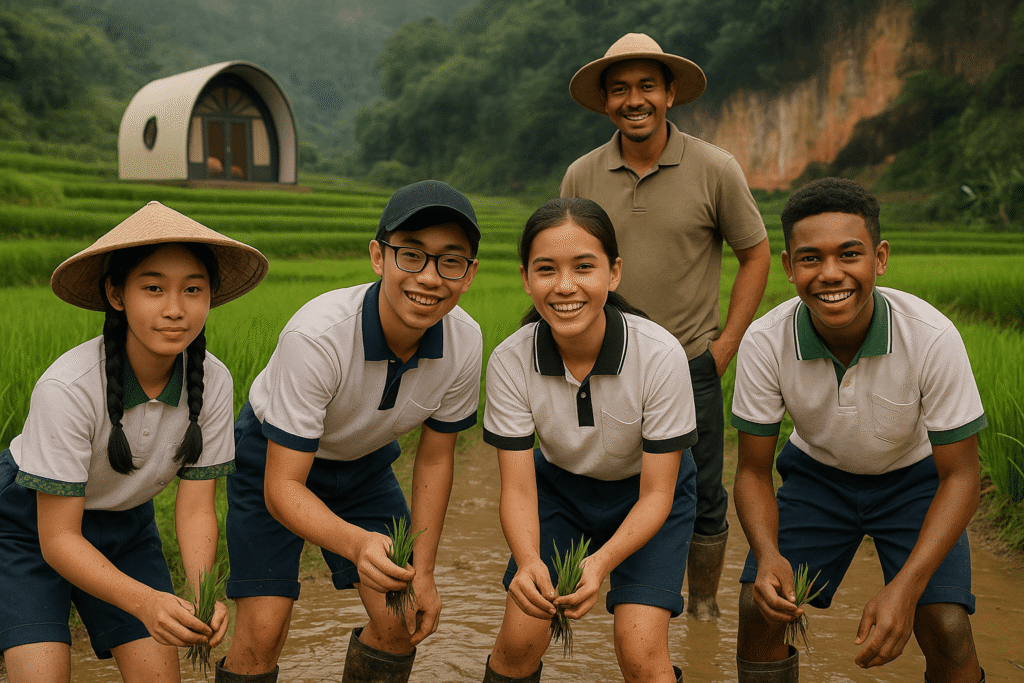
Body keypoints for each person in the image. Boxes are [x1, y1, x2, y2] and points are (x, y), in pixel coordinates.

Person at [218, 180, 483, 683]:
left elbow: (434, 459)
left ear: (468, 275)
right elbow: (283, 488)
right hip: (273, 460)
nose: (429, 278)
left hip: (363, 465)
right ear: (378, 257)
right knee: (262, 633)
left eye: (450, 261)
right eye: (411, 255)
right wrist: (357, 545)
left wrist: (422, 570)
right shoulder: (317, 337)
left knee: (402, 618)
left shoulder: (465, 342)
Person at [731, 177, 986, 682]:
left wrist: (906, 589)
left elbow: (962, 477)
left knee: (947, 625)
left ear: (880, 258)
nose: (831, 275)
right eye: (810, 258)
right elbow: (753, 472)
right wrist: (767, 555)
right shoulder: (765, 342)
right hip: (818, 479)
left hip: (915, 483)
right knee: (761, 609)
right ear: (788, 266)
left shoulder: (931, 338)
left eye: (850, 255)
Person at [0, 201, 268, 682]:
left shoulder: (214, 382)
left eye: (192, 290)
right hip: (28, 526)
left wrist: (202, 594)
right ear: (116, 294)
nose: (174, 309)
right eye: (153, 288)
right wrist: (145, 601)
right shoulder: (68, 388)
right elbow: (58, 538)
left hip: (126, 526)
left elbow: (195, 508)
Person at [560, 32, 771, 620]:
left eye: (647, 86)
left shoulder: (714, 168)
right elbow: (567, 256)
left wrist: (725, 345)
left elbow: (755, 253)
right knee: (600, 479)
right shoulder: (582, 175)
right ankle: (601, 592)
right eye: (620, 89)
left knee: (703, 495)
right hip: (601, 362)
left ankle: (702, 606)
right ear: (606, 102)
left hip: (688, 365)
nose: (635, 99)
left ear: (670, 93)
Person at [479, 197, 698, 683]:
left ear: (613, 273)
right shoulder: (511, 361)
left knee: (640, 653)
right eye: (546, 270)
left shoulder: (659, 355)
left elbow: (659, 492)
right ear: (525, 278)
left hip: (648, 498)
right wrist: (531, 561)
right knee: (519, 640)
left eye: (584, 267)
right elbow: (517, 488)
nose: (565, 287)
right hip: (560, 493)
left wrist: (598, 565)